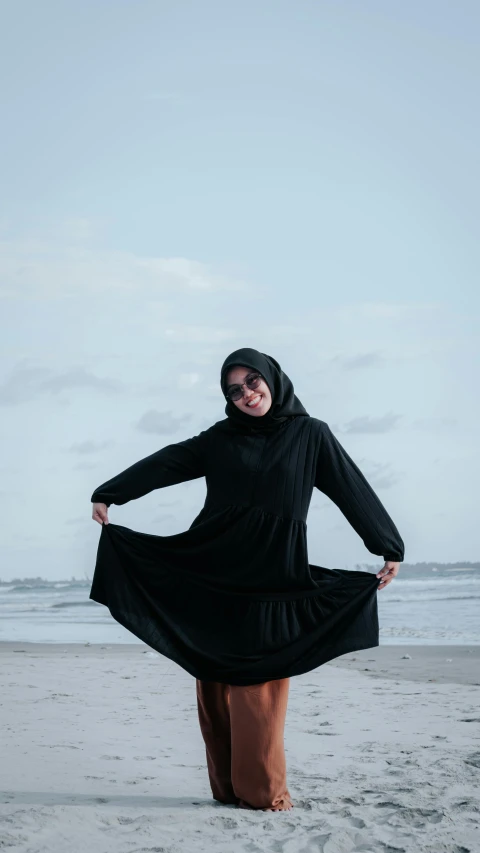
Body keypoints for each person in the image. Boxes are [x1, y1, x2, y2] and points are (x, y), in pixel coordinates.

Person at [90, 347, 404, 811]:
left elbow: (349, 487)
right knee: (213, 686)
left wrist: (387, 544)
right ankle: (227, 790)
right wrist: (108, 493)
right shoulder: (220, 439)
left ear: (273, 379)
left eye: (252, 382)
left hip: (271, 574)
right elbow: (166, 463)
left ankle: (262, 794)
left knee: (257, 687)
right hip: (211, 567)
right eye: (234, 390)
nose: (246, 394)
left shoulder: (309, 435)